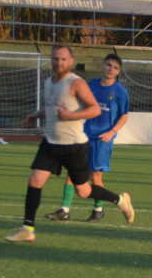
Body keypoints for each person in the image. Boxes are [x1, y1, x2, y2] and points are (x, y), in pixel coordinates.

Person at [4, 45, 135, 243]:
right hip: (50, 143)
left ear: (71, 61)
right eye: (56, 58)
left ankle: (119, 200)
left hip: (74, 145)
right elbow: (52, 108)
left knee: (84, 190)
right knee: (35, 181)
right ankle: (28, 228)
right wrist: (35, 115)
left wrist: (72, 116)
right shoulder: (48, 82)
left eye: (64, 59)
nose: (59, 62)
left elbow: (95, 110)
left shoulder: (77, 83)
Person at [46, 53, 131, 222]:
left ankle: (98, 209)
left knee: (96, 176)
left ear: (118, 71)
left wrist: (111, 132)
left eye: (115, 67)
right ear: (102, 66)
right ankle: (64, 209)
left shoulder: (120, 91)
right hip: (83, 135)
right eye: (108, 65)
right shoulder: (91, 85)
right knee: (71, 171)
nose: (110, 69)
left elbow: (124, 115)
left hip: (102, 139)